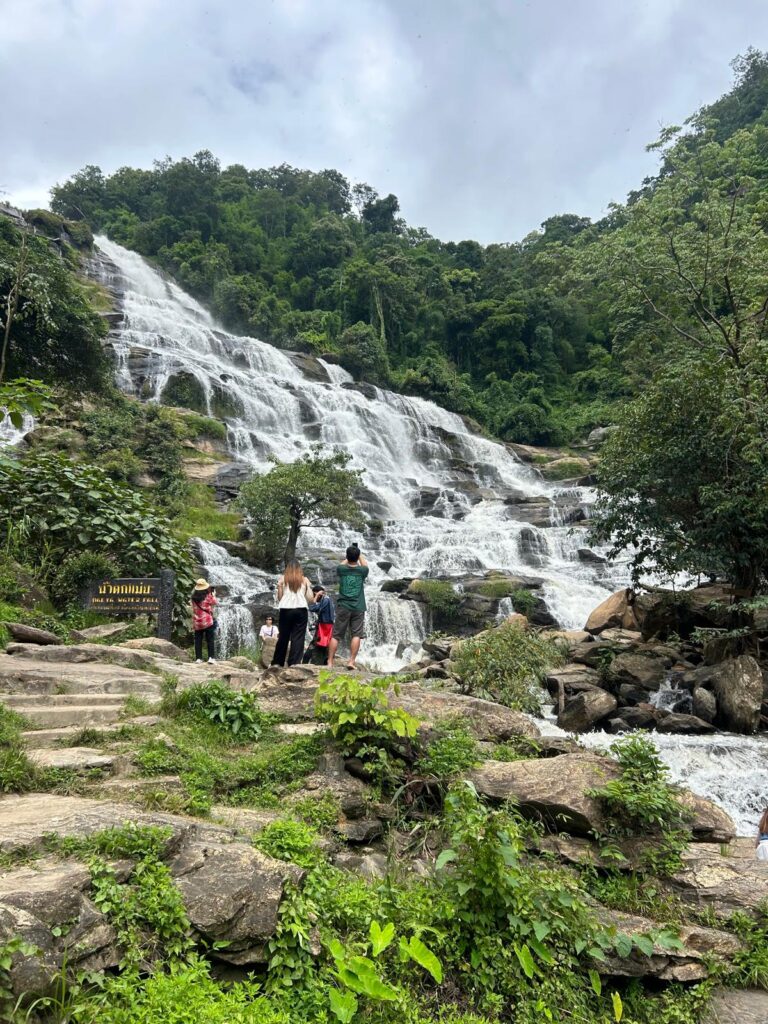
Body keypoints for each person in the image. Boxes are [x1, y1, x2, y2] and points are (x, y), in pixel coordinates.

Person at [328, 543, 369, 670]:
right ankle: (351, 661)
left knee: (336, 635)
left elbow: (342, 563)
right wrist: (359, 553)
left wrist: (350, 555)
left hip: (343, 606)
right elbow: (365, 564)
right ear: (357, 558)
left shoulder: (342, 569)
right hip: (358, 606)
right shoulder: (363, 571)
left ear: (346, 556)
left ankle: (330, 662)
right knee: (356, 635)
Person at [271, 559, 314, 668]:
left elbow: (280, 599)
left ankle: (277, 662)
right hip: (301, 610)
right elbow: (310, 599)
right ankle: (294, 663)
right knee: (298, 637)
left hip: (286, 610)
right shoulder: (304, 580)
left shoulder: (283, 579)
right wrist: (308, 586)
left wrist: (279, 586)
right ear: (300, 569)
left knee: (283, 637)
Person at [303, 585, 335, 664]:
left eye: (314, 594)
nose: (314, 596)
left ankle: (305, 662)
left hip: (324, 628)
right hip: (326, 627)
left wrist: (316, 596)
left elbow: (313, 608)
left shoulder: (325, 600)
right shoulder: (327, 599)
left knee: (315, 645)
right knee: (323, 647)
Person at [191, 579, 217, 664]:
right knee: (210, 639)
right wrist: (213, 595)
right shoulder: (208, 596)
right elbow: (214, 602)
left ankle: (198, 658)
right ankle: (211, 658)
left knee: (198, 640)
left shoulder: (193, 598)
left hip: (197, 622)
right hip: (207, 621)